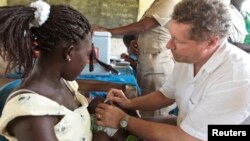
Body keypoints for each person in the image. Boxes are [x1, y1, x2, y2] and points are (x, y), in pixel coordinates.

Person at [94, 0, 250, 140]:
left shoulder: (237, 76)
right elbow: (165, 95)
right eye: (171, 36)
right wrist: (129, 104)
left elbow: (187, 137)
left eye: (179, 41)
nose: (169, 45)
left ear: (211, 42)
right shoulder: (189, 58)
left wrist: (124, 121)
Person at [0, 0, 94, 140]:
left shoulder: (64, 83)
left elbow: (70, 116)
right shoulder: (32, 115)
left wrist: (95, 105)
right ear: (69, 53)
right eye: (88, 55)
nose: (87, 61)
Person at [95, 0, 180, 117]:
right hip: (148, 64)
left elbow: (143, 26)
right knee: (146, 113)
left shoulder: (170, 1)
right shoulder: (158, 2)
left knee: (155, 115)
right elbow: (150, 31)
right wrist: (138, 42)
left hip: (157, 66)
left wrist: (108, 31)